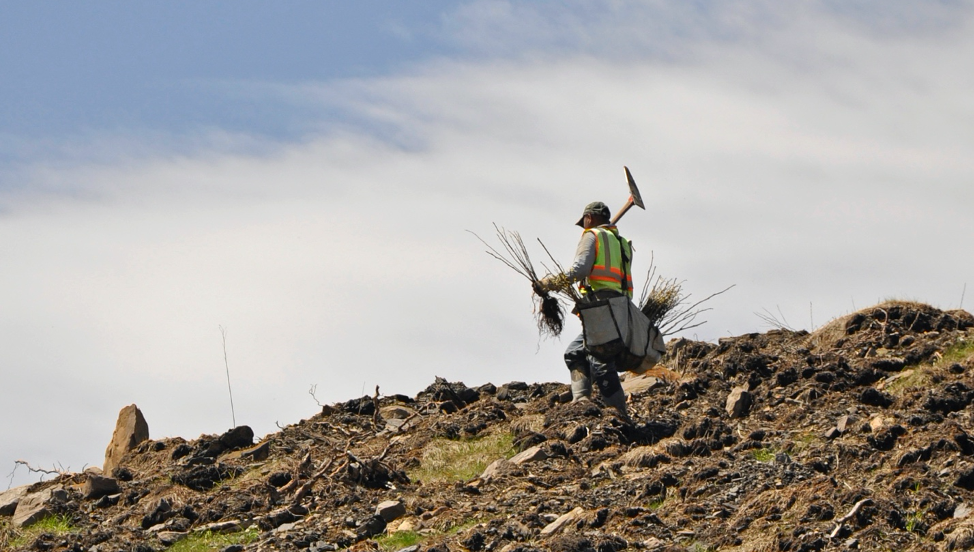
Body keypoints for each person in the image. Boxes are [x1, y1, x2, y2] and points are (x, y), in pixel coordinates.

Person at [540, 201, 633, 420]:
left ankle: (620, 416)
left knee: (601, 363)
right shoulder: (622, 243)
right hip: (622, 310)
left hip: (602, 308)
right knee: (577, 353)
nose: (583, 227)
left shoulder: (592, 236)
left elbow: (579, 270)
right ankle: (580, 402)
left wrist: (549, 283)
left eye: (584, 223)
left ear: (589, 219)